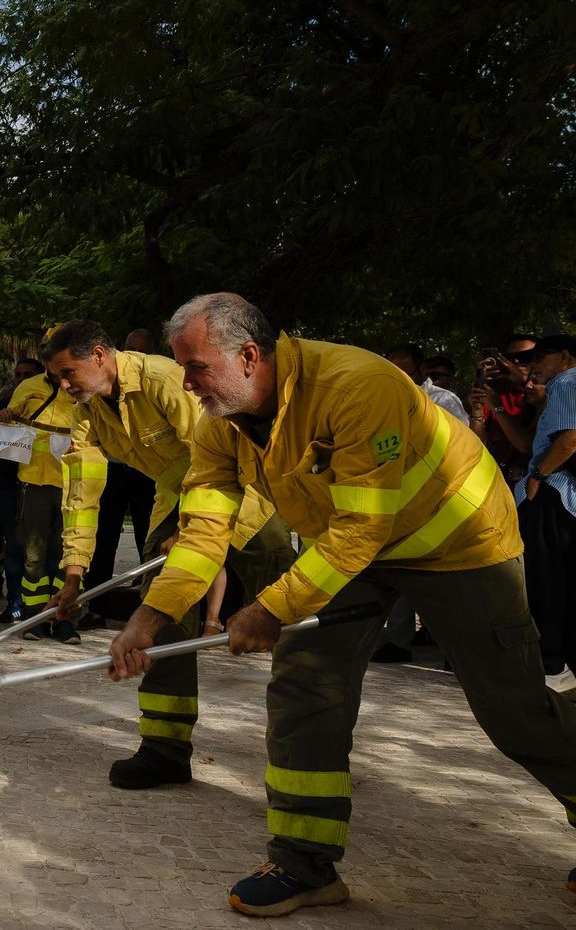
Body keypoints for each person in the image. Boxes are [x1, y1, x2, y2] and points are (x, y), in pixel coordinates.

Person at [109, 292, 576, 916]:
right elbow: (204, 530)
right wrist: (151, 617)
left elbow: (363, 528)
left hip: (459, 542)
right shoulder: (219, 422)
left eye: (195, 367)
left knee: (514, 711)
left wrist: (269, 608)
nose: (187, 384)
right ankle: (304, 863)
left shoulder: (357, 385)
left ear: (249, 355)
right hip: (353, 547)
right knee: (304, 684)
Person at [43, 319, 295, 788]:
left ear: (99, 355)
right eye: (55, 377)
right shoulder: (84, 406)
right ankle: (164, 749)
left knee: (292, 612)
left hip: (245, 493)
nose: (62, 385)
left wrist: (199, 533)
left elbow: (222, 453)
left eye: (67, 373)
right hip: (175, 495)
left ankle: (304, 744)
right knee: (159, 614)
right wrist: (74, 572)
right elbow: (81, 489)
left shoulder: (163, 379)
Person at [373, 342, 472, 663]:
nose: (398, 372)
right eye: (391, 365)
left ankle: (453, 649)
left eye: (404, 366)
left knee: (443, 579)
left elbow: (460, 447)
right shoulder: (382, 399)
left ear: (420, 369)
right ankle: (397, 640)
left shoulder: (444, 401)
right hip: (399, 500)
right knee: (402, 568)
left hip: (439, 501)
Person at [0, 355, 75, 640]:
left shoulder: (82, 386)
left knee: (68, 556)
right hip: (33, 483)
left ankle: (63, 618)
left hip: (73, 482)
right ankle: (34, 617)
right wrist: (6, 415)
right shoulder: (28, 386)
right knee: (34, 556)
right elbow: (10, 418)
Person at [515, 334, 576, 692]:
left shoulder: (567, 381)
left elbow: (569, 439)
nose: (534, 364)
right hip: (561, 494)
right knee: (561, 581)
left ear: (565, 356)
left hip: (553, 493)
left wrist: (538, 476)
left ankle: (552, 666)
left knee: (546, 581)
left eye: (541, 356)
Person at [0, 358, 43, 622]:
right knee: (12, 545)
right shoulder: (3, 405)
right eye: (18, 374)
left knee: (39, 549)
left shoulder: (54, 403)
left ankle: (39, 607)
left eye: (29, 374)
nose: (22, 379)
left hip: (40, 486)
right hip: (9, 486)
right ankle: (13, 601)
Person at [469, 335, 539, 483]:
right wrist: (477, 409)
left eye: (525, 356)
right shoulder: (497, 394)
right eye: (509, 357)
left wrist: (525, 382)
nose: (516, 362)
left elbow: (527, 445)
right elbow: (478, 444)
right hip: (501, 480)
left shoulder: (547, 394)